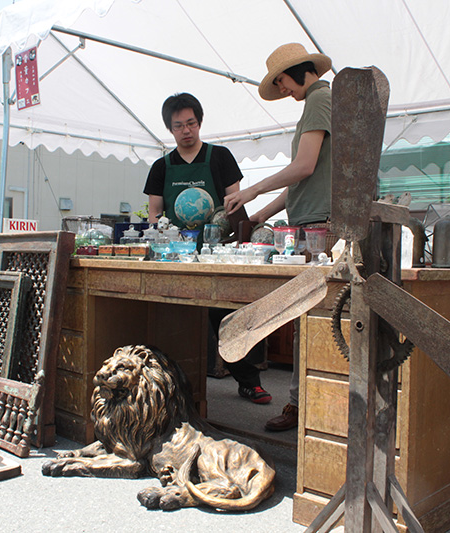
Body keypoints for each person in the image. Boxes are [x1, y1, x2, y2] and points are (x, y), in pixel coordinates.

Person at [224, 43, 333, 431]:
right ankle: (303, 406)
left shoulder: (320, 99)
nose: (282, 89)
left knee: (313, 320)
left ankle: (305, 408)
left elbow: (303, 167)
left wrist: (253, 190)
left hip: (319, 227)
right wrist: (261, 215)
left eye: (282, 80)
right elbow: (303, 180)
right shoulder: (316, 102)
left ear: (300, 70)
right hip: (309, 220)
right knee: (306, 318)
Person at [143, 92, 272, 405]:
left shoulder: (220, 157)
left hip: (217, 254)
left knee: (225, 317)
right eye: (178, 126)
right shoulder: (161, 167)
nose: (186, 130)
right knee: (174, 318)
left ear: (199, 123)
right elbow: (154, 213)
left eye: (191, 123)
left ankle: (248, 381)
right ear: (170, 129)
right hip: (177, 256)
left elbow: (234, 205)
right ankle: (171, 384)